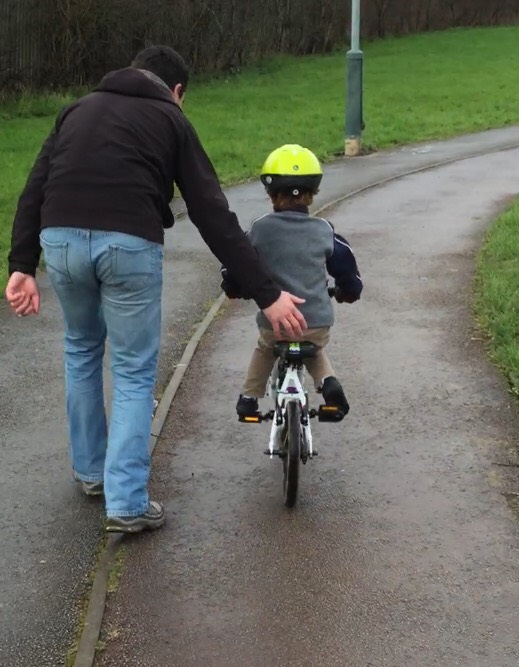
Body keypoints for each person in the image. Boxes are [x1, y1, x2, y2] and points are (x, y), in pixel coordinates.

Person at [5, 47, 307, 534]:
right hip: (127, 244)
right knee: (132, 369)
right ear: (178, 91)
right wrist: (267, 294)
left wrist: (22, 265)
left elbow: (34, 188)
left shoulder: (76, 110)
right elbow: (212, 213)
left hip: (59, 240)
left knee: (81, 349)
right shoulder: (170, 117)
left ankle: (90, 473)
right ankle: (125, 501)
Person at [220, 144, 363, 419]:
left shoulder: (260, 229)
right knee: (314, 351)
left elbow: (238, 262)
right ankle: (329, 384)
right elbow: (347, 268)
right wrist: (347, 292)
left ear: (270, 192)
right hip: (315, 323)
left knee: (266, 349)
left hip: (276, 326)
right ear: (313, 192)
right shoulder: (324, 230)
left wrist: (233, 289)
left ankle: (249, 399)